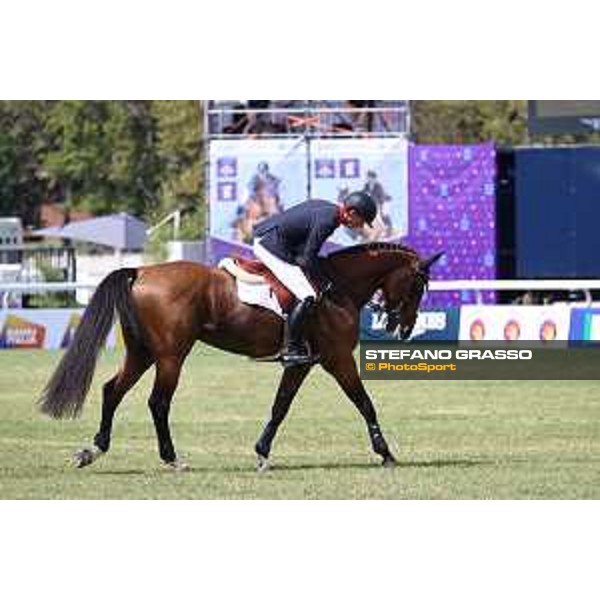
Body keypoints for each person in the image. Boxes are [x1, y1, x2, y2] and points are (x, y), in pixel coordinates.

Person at [253, 191, 378, 366]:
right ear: (352, 213)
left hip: (273, 238)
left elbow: (305, 253)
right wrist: (327, 283)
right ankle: (291, 349)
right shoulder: (328, 221)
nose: (361, 226)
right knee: (308, 295)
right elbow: (306, 259)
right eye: (362, 221)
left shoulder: (330, 211)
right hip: (270, 245)